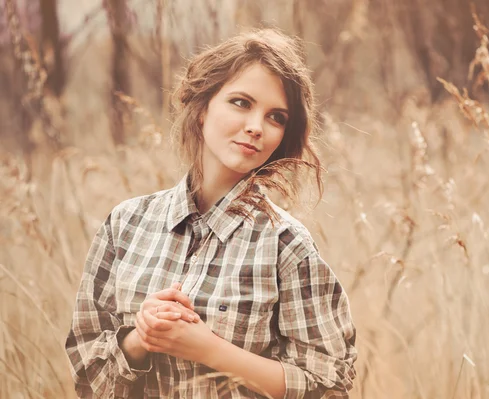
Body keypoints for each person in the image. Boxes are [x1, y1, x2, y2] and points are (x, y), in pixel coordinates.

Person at [65, 28, 357, 399]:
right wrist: (141, 338)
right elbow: (88, 380)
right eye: (241, 102)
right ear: (202, 109)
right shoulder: (126, 224)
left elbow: (328, 387)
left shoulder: (286, 244)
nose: (255, 127)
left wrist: (208, 349)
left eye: (276, 117)